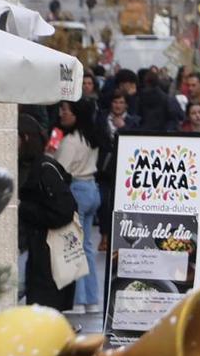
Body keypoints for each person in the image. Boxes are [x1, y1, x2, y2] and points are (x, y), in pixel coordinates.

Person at [18, 114, 77, 311]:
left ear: (25, 138)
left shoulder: (43, 169)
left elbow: (63, 211)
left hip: (45, 255)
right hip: (36, 253)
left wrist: (23, 209)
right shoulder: (29, 166)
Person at [53, 99, 102, 314]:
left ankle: (77, 300)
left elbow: (58, 170)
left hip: (77, 190)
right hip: (92, 188)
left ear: (76, 114)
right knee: (87, 246)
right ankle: (91, 299)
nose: (61, 113)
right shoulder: (91, 138)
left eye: (65, 110)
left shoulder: (71, 141)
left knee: (74, 245)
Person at [94, 90, 139, 252]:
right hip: (104, 169)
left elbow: (136, 142)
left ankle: (125, 238)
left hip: (125, 170)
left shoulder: (134, 122)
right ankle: (105, 236)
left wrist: (123, 128)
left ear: (126, 104)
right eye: (115, 102)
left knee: (124, 205)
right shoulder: (101, 119)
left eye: (121, 102)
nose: (118, 105)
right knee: (104, 203)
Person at [136, 68, 184, 133]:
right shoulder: (168, 99)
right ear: (158, 81)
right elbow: (180, 116)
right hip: (163, 136)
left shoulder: (138, 99)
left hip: (142, 136)